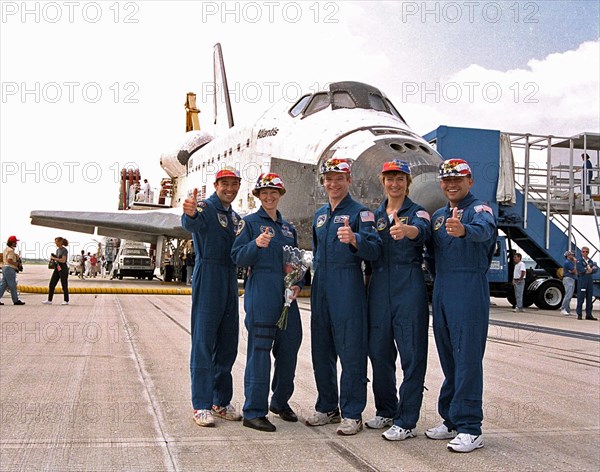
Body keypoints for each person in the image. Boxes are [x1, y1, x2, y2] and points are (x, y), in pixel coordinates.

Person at [305, 157, 382, 436]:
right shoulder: (320, 215)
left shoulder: (362, 214)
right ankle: (327, 406)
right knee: (321, 349)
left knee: (351, 350)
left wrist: (355, 240)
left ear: (349, 181)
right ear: (323, 182)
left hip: (347, 284)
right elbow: (316, 252)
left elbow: (374, 251)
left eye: (339, 178)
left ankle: (352, 412)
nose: (333, 183)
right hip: (321, 285)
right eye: (329, 178)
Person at [425, 158, 497, 453]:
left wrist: (464, 230)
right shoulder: (439, 215)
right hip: (443, 287)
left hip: (468, 288)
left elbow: (485, 231)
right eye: (446, 180)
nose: (452, 184)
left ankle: (471, 427)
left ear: (470, 181)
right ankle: (451, 419)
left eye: (458, 179)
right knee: (448, 357)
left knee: (467, 358)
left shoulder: (480, 210)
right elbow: (431, 253)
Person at [231, 173, 303, 432]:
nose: (270, 196)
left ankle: (280, 401)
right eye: (264, 192)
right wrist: (255, 244)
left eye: (274, 192)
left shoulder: (288, 228)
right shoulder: (248, 224)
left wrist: (298, 284)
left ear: (280, 195)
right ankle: (253, 411)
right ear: (258, 196)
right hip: (261, 292)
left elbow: (297, 263)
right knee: (260, 353)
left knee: (290, 348)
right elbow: (238, 257)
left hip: (287, 298)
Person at [365, 160, 431, 441]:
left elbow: (422, 232)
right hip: (378, 285)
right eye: (390, 178)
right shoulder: (374, 215)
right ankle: (387, 409)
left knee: (412, 354)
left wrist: (407, 231)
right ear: (383, 181)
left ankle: (406, 419)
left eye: (400, 178)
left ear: (407, 182)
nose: (395, 183)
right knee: (378, 352)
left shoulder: (418, 213)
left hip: (408, 286)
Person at [181, 167, 243, 427]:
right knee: (204, 342)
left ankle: (220, 401)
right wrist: (190, 212)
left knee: (228, 343)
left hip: (229, 278)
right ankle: (202, 405)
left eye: (234, 184)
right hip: (208, 276)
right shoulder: (205, 209)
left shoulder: (236, 217)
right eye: (225, 184)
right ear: (216, 185)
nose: (229, 189)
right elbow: (191, 223)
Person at [43, 237, 70, 305]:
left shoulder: (64, 250)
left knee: (64, 284)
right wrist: (55, 258)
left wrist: (54, 258)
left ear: (60, 242)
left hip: (63, 268)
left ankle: (66, 300)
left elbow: (63, 260)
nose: (55, 243)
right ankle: (49, 300)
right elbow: (58, 259)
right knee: (52, 283)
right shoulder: (58, 250)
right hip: (58, 267)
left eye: (56, 242)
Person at [0, 235, 26, 306]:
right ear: (12, 242)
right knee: (12, 285)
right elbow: (9, 260)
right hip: (9, 269)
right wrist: (17, 264)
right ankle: (16, 300)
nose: (16, 243)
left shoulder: (6, 249)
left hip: (4, 268)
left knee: (3, 285)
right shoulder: (11, 251)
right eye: (15, 242)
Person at [575, 246, 598, 320]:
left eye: (586, 252)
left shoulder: (590, 261)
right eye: (583, 251)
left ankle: (589, 314)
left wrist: (589, 270)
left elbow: (595, 269)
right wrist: (588, 270)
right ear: (581, 252)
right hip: (582, 280)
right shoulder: (579, 261)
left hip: (589, 280)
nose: (585, 253)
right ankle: (579, 314)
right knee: (581, 298)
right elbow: (581, 270)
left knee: (589, 297)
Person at [560, 251, 577, 316]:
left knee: (570, 295)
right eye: (571, 255)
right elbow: (574, 271)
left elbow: (574, 271)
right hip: (568, 279)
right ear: (568, 256)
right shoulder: (567, 262)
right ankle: (563, 309)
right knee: (568, 295)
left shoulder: (570, 262)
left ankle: (567, 310)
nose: (573, 256)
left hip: (572, 279)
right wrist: (575, 263)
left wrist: (573, 271)